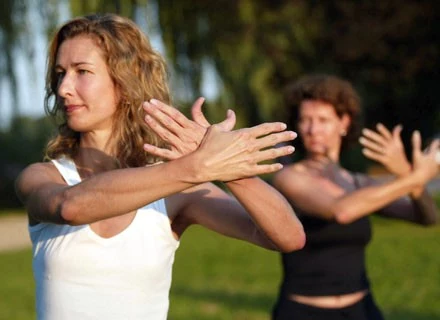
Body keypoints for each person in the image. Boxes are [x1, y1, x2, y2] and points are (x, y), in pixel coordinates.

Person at [14, 13, 306, 320]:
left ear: (124, 81)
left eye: (82, 71)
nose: (63, 88)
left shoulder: (180, 190)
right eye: (60, 73)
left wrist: (230, 172)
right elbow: (71, 207)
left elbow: (287, 237)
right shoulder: (43, 176)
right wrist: (196, 167)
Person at [270, 74, 439, 320]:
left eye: (323, 120)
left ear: (344, 123)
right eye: (305, 119)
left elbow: (426, 217)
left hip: (362, 310)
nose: (313, 129)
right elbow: (340, 211)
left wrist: (407, 175)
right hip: (303, 312)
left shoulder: (358, 182)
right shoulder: (288, 178)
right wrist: (414, 178)